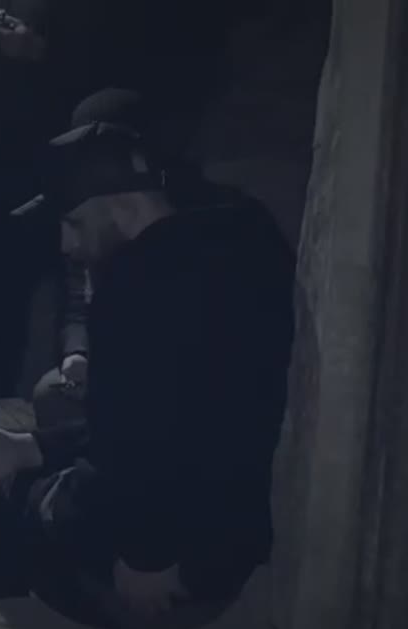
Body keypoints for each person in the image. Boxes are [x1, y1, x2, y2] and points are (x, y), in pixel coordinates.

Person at [0, 121, 295, 629]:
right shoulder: (244, 234)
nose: (65, 243)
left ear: (124, 206)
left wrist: (144, 559)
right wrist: (32, 446)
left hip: (174, 580)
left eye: (74, 222)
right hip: (234, 536)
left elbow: (134, 444)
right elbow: (179, 418)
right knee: (32, 442)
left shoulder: (136, 285)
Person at [30, 87, 246, 426]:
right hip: (118, 374)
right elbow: (78, 300)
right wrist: (78, 354)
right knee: (51, 394)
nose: (68, 243)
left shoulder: (210, 234)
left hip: (183, 390)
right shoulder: (94, 226)